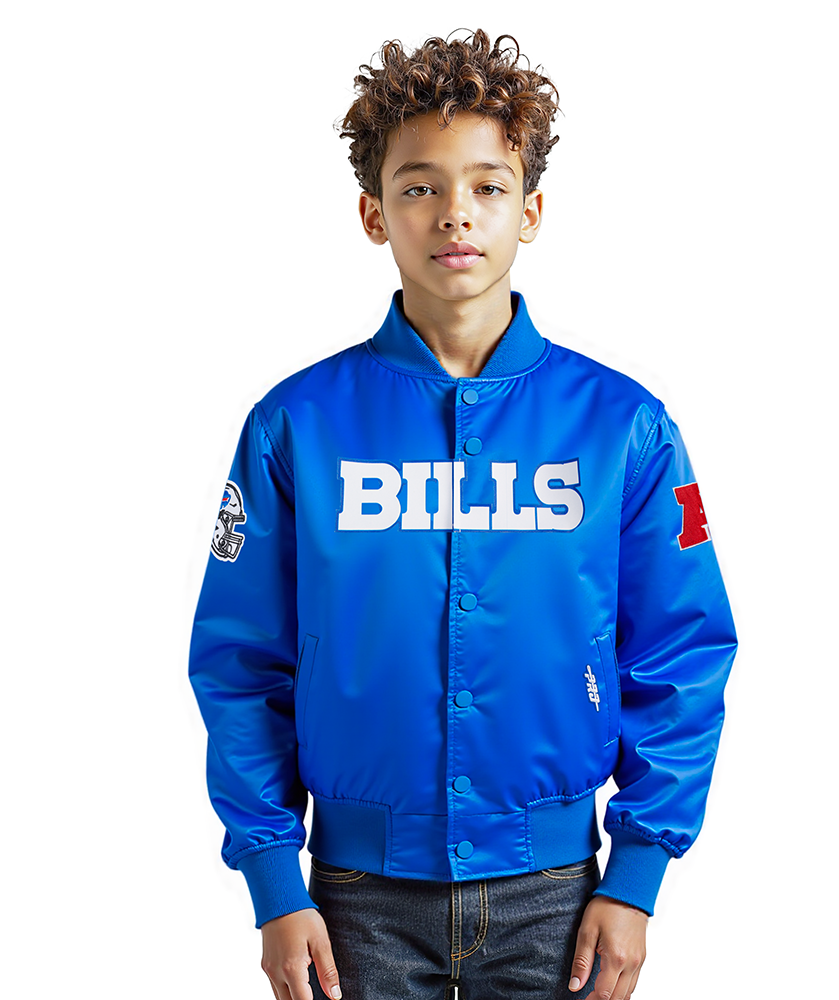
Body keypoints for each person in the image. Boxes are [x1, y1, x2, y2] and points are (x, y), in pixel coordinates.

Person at [188, 29, 737, 1000]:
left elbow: (681, 651)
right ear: (373, 212)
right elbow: (241, 662)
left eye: (488, 186)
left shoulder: (623, 427)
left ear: (531, 211)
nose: (455, 213)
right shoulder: (295, 426)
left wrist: (639, 872)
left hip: (559, 896)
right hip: (351, 898)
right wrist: (273, 879)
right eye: (419, 186)